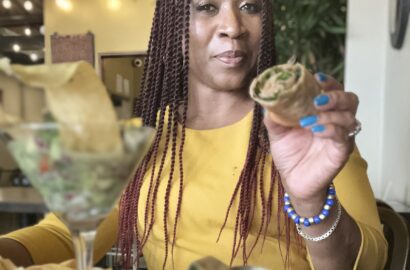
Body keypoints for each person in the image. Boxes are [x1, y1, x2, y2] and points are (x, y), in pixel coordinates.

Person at [0, 0, 387, 269]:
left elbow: (369, 263)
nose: (233, 27)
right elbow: (64, 233)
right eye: (206, 7)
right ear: (175, 26)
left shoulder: (307, 134)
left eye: (250, 6)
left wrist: (311, 202)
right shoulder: (136, 142)